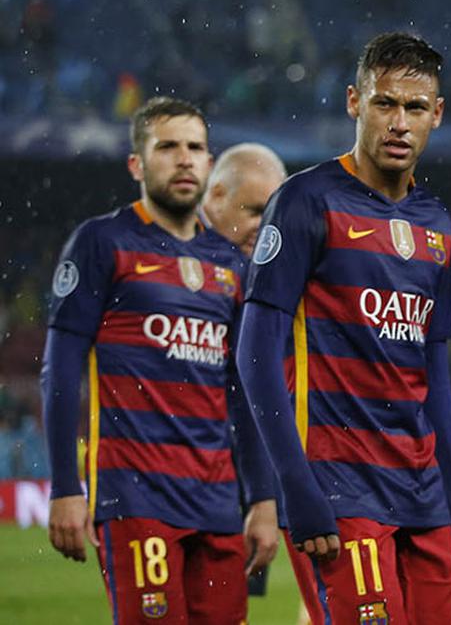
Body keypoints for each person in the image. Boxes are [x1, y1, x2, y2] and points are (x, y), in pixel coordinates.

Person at [235, 32, 451, 624]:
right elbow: (255, 355)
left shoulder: (437, 225)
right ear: (353, 102)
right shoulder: (304, 202)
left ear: (437, 115)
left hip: (423, 492)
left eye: (415, 108)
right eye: (384, 103)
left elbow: (434, 382)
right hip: (340, 484)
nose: (399, 122)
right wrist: (297, 486)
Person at [41, 96, 278, 622]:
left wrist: (262, 498)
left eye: (196, 147)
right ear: (137, 164)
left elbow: (244, 393)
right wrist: (64, 487)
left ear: (210, 163)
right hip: (136, 495)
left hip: (218, 501)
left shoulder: (227, 264)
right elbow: (60, 371)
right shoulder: (103, 242)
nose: (185, 158)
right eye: (167, 147)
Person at [200, 141, 288, 598]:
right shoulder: (168, 258)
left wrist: (262, 494)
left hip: (244, 474)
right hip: (174, 469)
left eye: (271, 213)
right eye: (253, 210)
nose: (263, 226)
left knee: (225, 605)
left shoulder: (264, 276)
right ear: (215, 196)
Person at [202, 142, 287, 257]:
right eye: (256, 212)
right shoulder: (174, 247)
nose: (267, 228)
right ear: (218, 196)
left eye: (274, 216)